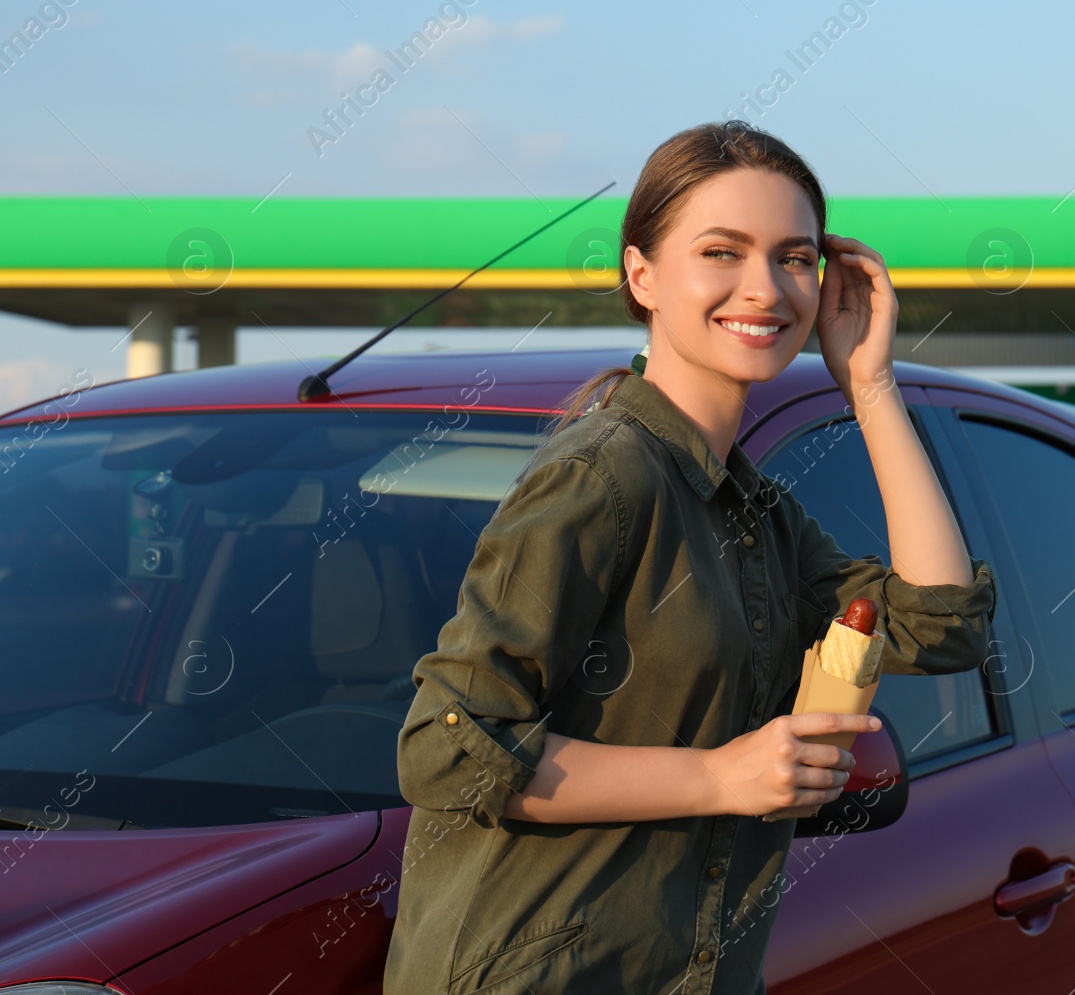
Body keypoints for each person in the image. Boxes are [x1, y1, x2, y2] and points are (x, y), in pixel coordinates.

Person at [382, 120, 998, 995]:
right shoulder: (604, 474)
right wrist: (720, 775)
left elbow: (941, 626)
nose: (765, 287)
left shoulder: (755, 513)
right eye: (722, 250)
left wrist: (871, 384)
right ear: (642, 273)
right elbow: (449, 745)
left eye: (794, 257)